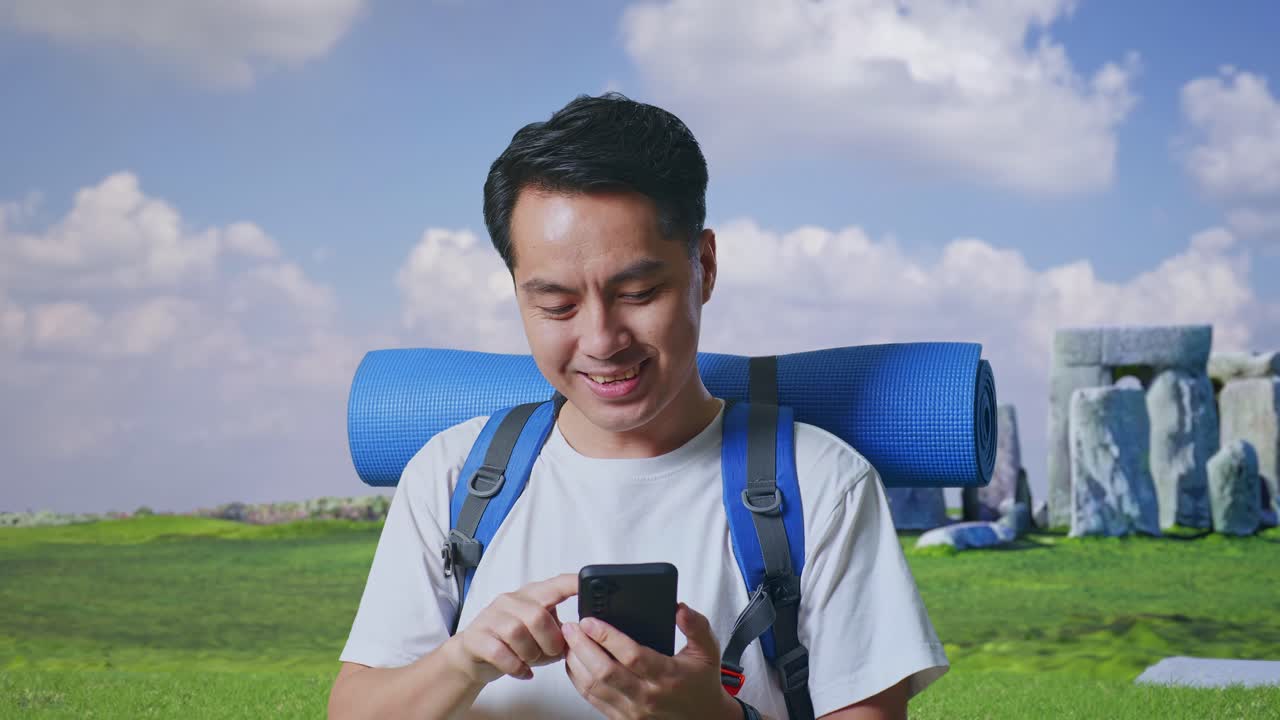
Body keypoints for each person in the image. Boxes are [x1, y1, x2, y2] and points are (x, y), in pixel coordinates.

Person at [328, 92, 948, 719]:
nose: (602, 341)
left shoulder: (822, 485)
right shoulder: (453, 477)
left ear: (705, 267)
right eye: (557, 305)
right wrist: (462, 661)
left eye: (639, 293)